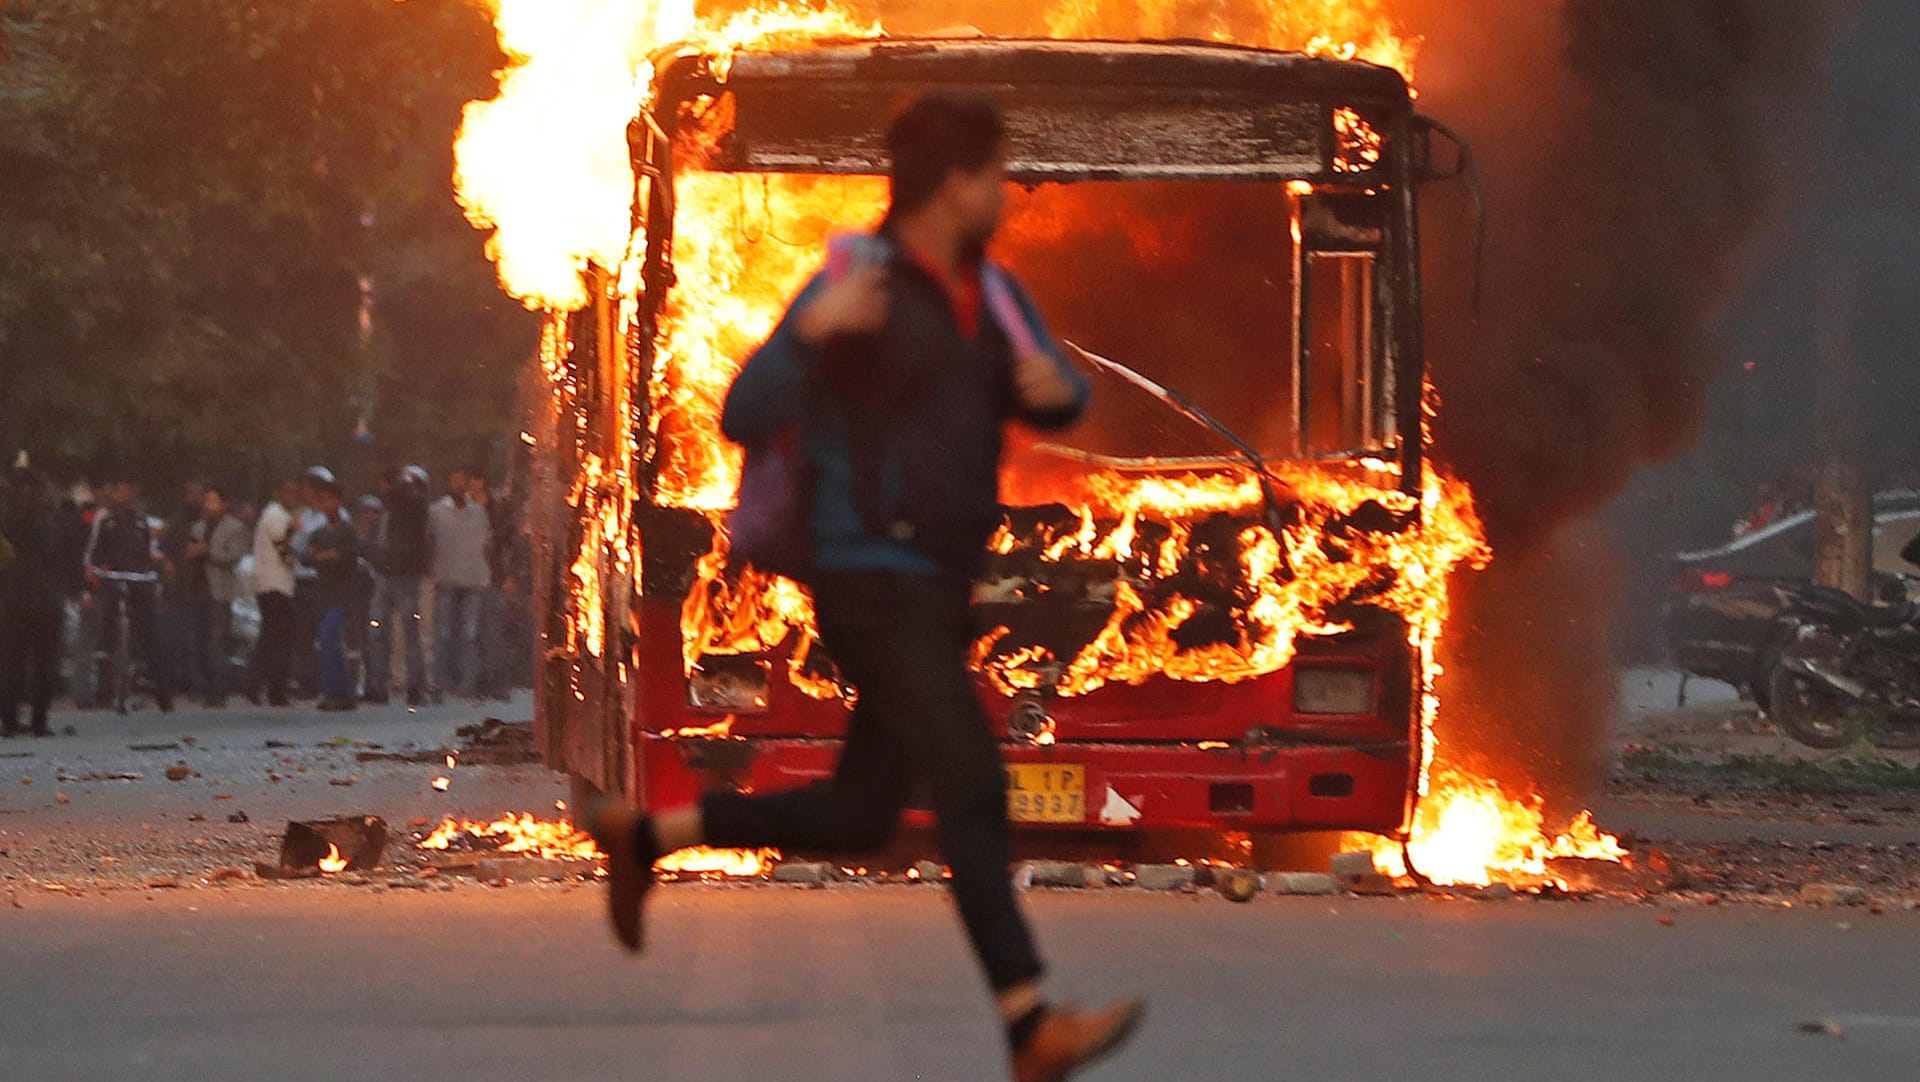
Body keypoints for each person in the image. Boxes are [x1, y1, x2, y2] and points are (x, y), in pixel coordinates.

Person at [583, 94, 1137, 1082]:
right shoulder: (855, 278)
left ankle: (650, 835)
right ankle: (1029, 1025)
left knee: (861, 813)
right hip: (869, 579)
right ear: (955, 185)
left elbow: (1059, 393)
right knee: (970, 779)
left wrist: (1059, 394)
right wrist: (812, 336)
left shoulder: (992, 297)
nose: (1008, 196)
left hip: (943, 584)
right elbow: (744, 408)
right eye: (996, 178)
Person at [2, 469, 81, 737]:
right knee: (36, 662)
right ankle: (33, 720)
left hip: (24, 598)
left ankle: (16, 720)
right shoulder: (52, 518)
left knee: (19, 661)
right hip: (38, 598)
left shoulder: (19, 516)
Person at [83, 475, 173, 712]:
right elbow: (95, 555)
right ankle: (104, 692)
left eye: (126, 490)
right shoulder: (106, 523)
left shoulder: (142, 524)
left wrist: (149, 574)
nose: (122, 495)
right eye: (118, 490)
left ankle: (161, 690)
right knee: (106, 637)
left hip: (138, 585)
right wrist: (100, 572)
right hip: (112, 584)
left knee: (151, 636)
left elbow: (148, 556)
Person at [367, 465, 432, 706]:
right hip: (386, 573)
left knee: (409, 632)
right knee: (378, 630)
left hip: (405, 575)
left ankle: (415, 686)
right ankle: (379, 685)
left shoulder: (414, 508)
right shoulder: (390, 511)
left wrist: (402, 486)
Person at [428, 466, 491, 700]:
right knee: (443, 633)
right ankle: (440, 683)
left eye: (462, 481)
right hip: (446, 577)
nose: (458, 485)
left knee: (469, 634)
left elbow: (487, 542)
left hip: (473, 579)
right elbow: (429, 542)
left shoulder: (479, 512)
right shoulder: (436, 512)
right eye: (454, 480)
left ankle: (467, 684)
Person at [302, 477, 358, 711]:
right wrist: (322, 556)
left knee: (330, 640)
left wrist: (323, 557)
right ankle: (337, 692)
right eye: (321, 501)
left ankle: (339, 691)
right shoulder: (318, 534)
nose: (326, 506)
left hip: (342, 596)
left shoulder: (347, 531)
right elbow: (306, 557)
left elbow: (345, 558)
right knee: (326, 644)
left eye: (329, 500)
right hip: (322, 596)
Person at [251, 477, 303, 706]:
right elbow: (283, 548)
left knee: (271, 637)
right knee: (278, 639)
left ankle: (258, 685)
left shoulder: (277, 515)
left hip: (274, 583)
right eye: (289, 492)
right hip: (275, 584)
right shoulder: (275, 516)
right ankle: (274, 689)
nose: (292, 496)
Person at [200, 486, 249, 707]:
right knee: (201, 640)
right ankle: (201, 686)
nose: (208, 506)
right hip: (198, 588)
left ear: (224, 504)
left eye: (213, 501)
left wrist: (208, 552)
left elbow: (234, 556)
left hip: (220, 590)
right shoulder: (200, 526)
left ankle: (218, 691)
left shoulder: (235, 528)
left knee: (217, 641)